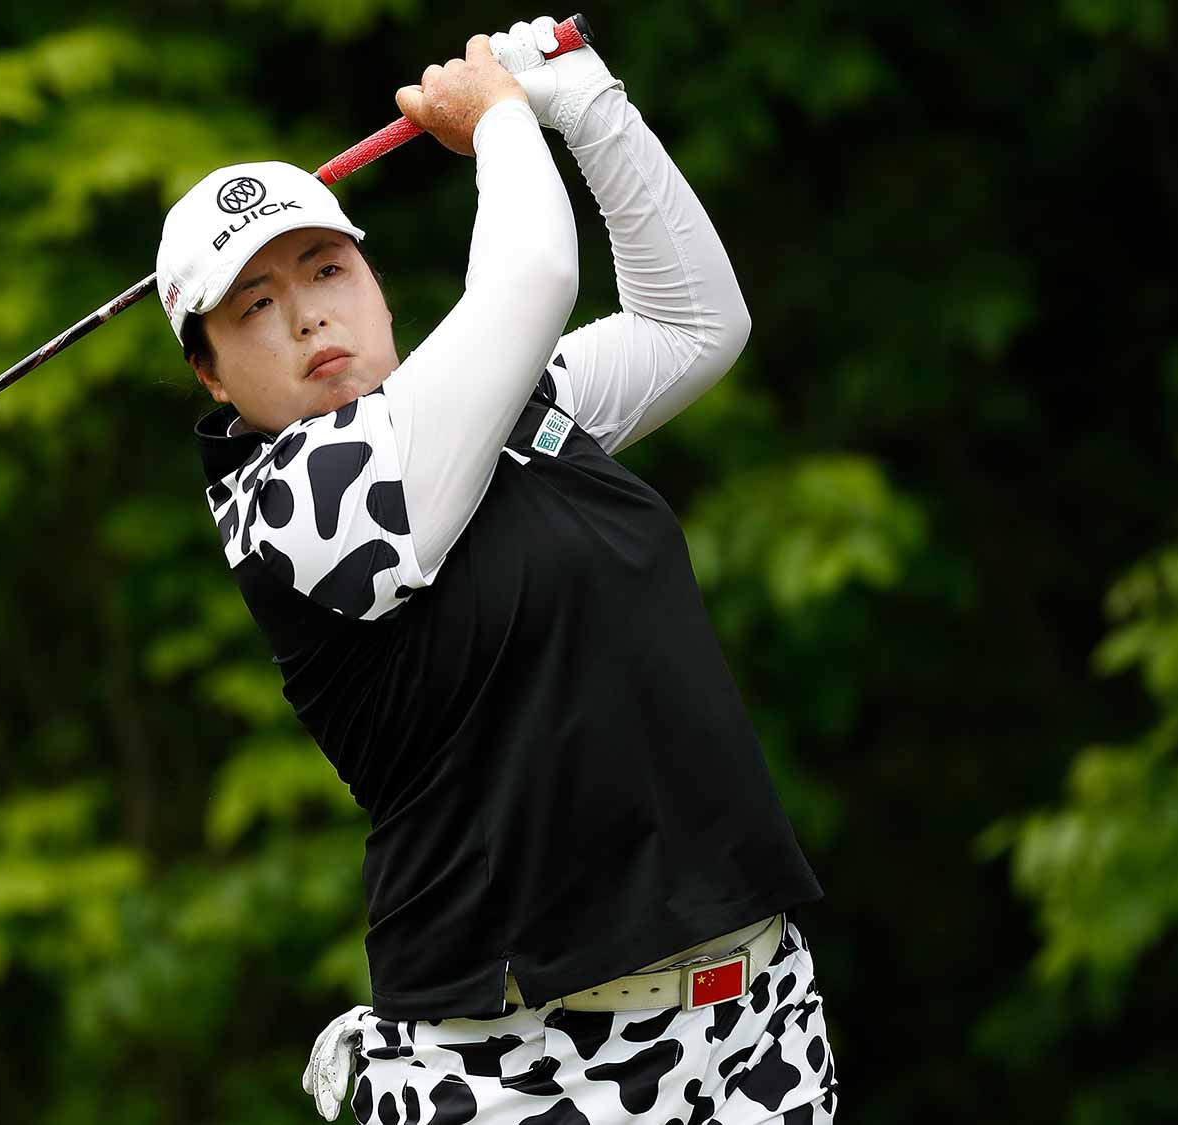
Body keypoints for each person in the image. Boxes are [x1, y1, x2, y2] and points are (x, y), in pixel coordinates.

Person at [153, 17, 837, 1125]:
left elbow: (694, 324)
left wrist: (584, 105)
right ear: (211, 374)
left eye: (325, 269)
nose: (305, 313)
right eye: (253, 305)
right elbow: (530, 274)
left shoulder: (518, 408)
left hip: (752, 1022)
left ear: (375, 286)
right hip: (512, 1067)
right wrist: (504, 124)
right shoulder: (293, 504)